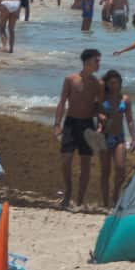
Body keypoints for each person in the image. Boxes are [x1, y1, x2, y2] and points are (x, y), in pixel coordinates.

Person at [54, 48, 102, 208]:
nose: (99, 63)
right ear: (88, 62)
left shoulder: (98, 84)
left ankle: (80, 199)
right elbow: (62, 102)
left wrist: (101, 124)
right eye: (97, 60)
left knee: (85, 163)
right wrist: (57, 124)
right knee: (66, 160)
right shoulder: (70, 79)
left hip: (88, 125)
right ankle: (68, 192)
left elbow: (100, 107)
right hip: (71, 123)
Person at [96, 69, 135, 208]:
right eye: (111, 83)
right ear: (107, 83)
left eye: (117, 83)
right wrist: (100, 117)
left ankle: (115, 194)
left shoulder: (125, 99)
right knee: (105, 171)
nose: (114, 85)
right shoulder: (102, 98)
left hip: (119, 137)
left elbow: (130, 120)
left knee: (120, 168)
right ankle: (106, 203)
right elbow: (95, 112)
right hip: (103, 137)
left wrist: (133, 138)